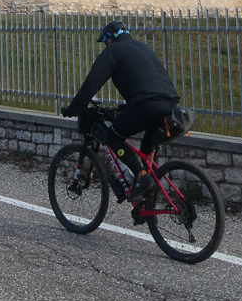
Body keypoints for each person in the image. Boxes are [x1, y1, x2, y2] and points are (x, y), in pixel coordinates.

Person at [60, 20, 181, 205]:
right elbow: (147, 82)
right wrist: (125, 108)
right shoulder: (143, 48)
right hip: (171, 104)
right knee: (146, 151)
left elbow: (91, 84)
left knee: (113, 137)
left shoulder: (113, 51)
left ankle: (141, 176)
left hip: (147, 104)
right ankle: (146, 203)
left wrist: (74, 109)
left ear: (110, 39)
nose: (106, 45)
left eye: (105, 41)